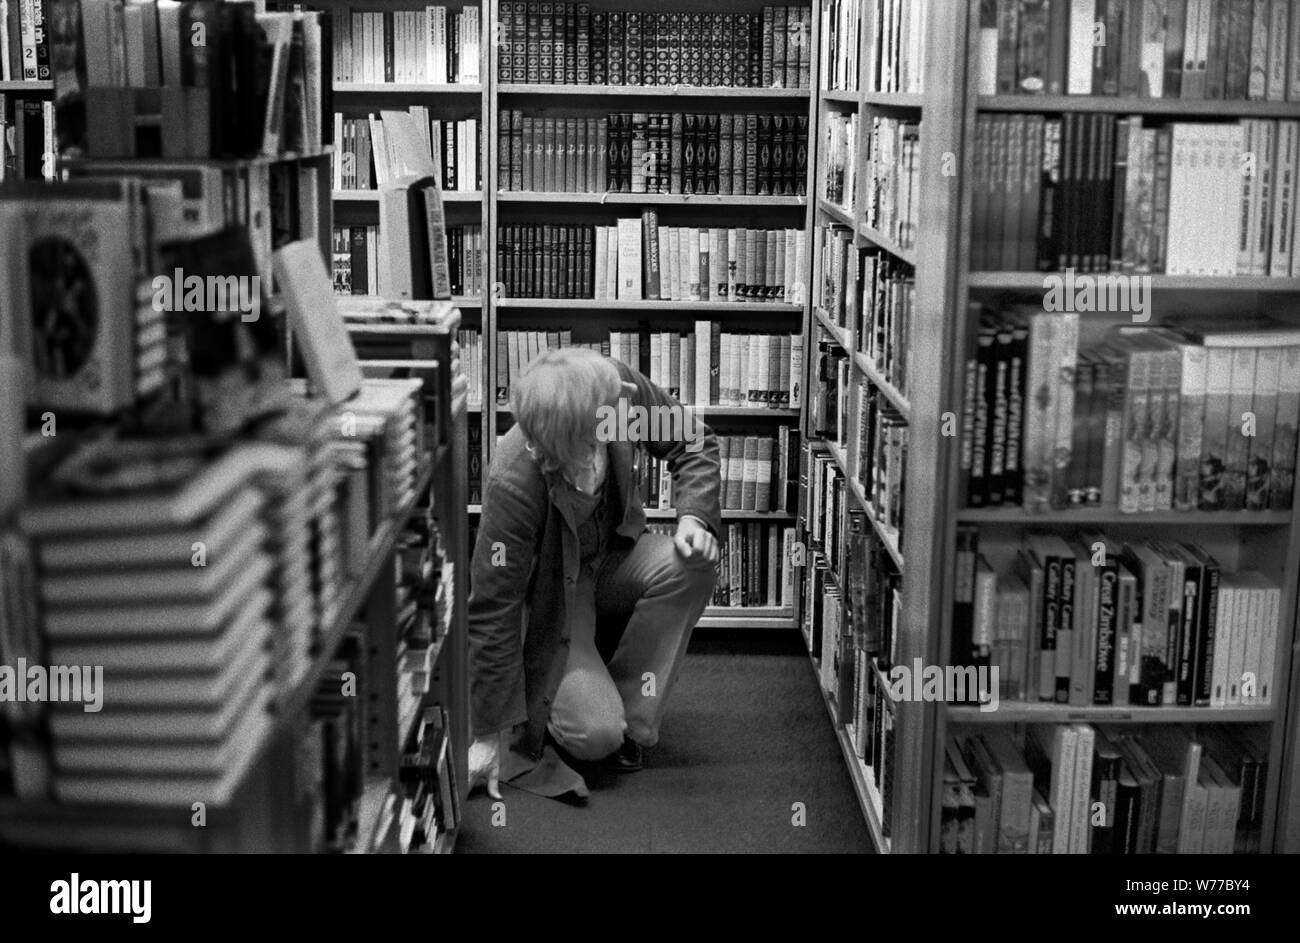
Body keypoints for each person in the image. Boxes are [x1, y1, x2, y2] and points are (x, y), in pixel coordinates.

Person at [465, 347, 721, 800]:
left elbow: (694, 441)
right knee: (594, 736)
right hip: (556, 597)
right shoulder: (514, 478)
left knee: (692, 562)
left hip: (616, 555)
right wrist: (488, 733)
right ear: (566, 439)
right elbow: (493, 606)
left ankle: (632, 717)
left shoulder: (615, 393)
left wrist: (693, 519)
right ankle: (595, 708)